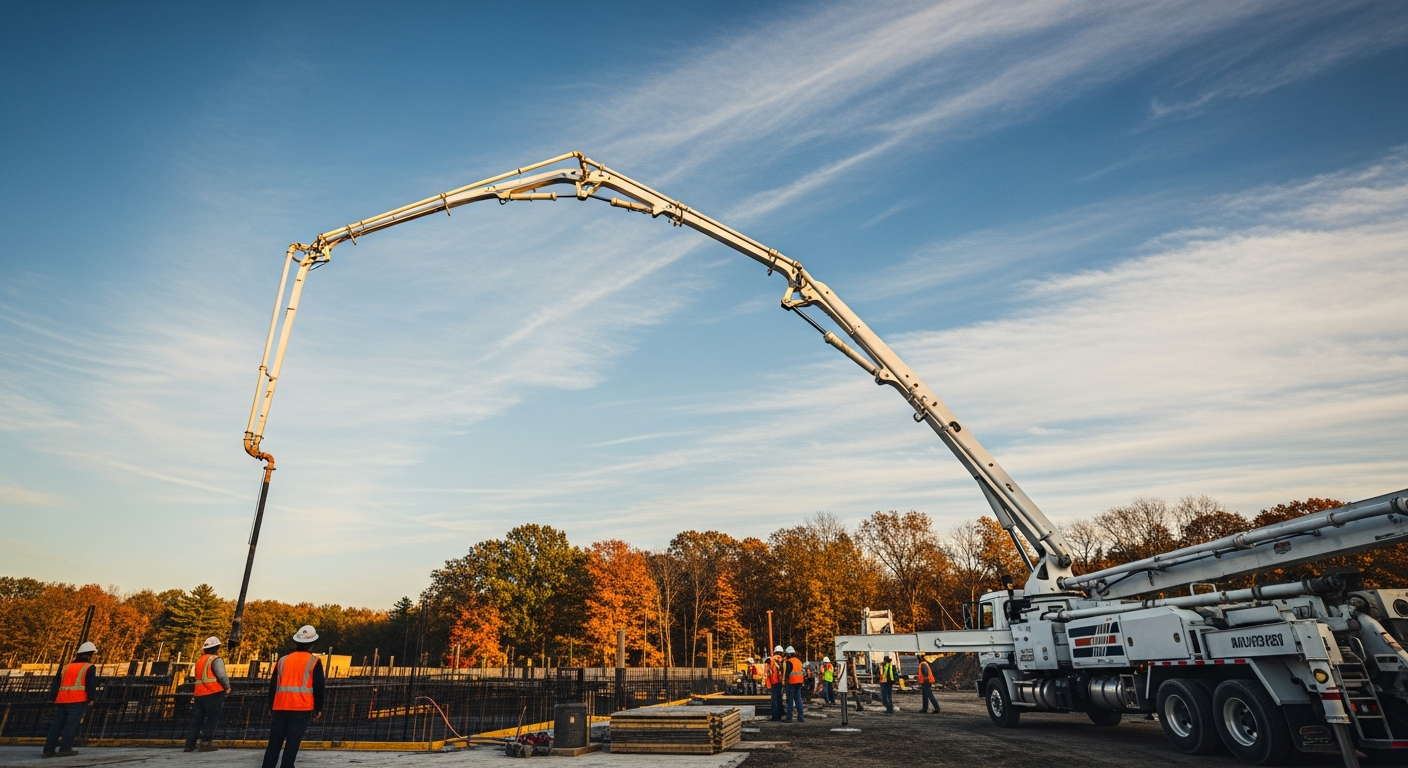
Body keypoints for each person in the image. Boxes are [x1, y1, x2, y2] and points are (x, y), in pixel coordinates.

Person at [262, 625, 325, 768]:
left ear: (296, 642)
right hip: (301, 708)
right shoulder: (314, 662)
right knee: (292, 743)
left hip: (280, 707)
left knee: (274, 743)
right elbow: (319, 686)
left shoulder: (282, 660)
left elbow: (273, 686)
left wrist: (270, 706)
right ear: (312, 644)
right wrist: (318, 708)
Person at [44, 641, 98, 758]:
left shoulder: (66, 667)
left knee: (56, 725)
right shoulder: (89, 667)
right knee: (71, 725)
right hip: (77, 700)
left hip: (61, 699)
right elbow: (91, 684)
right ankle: (65, 748)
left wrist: (52, 698)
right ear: (90, 654)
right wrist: (91, 698)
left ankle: (48, 750)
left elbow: (56, 683)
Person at [186, 636, 230, 752]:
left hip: (199, 694)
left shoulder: (200, 660)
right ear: (216, 648)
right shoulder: (215, 659)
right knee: (212, 719)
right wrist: (227, 686)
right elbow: (221, 675)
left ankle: (189, 745)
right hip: (213, 693)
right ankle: (205, 743)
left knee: (196, 719)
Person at [783, 647, 805, 723]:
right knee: (798, 699)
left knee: (789, 700)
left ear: (788, 654)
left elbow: (787, 673)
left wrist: (785, 681)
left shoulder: (789, 661)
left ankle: (789, 717)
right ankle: (801, 717)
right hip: (799, 682)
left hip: (792, 682)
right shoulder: (799, 661)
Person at [767, 645, 784, 721]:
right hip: (780, 681)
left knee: (774, 700)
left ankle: (775, 716)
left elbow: (769, 671)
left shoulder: (771, 660)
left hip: (774, 681)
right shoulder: (783, 660)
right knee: (779, 698)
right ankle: (781, 714)